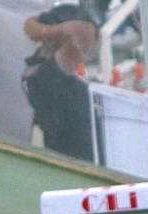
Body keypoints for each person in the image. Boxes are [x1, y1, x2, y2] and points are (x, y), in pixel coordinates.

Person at [22, 3, 100, 161]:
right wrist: (51, 33)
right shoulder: (47, 76)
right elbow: (83, 31)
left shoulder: (43, 74)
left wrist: (47, 32)